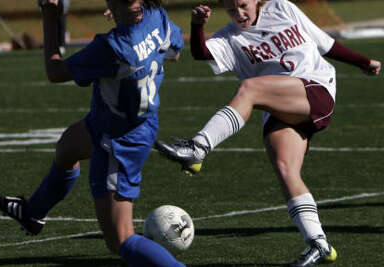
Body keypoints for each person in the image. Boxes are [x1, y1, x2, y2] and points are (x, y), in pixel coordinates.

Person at [154, 0, 381, 266]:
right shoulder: (230, 36)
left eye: (243, 5)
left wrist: (363, 62)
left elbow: (325, 43)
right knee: (286, 170)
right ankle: (318, 243)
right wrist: (197, 26)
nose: (239, 13)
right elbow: (203, 53)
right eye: (231, 9)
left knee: (249, 89)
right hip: (281, 110)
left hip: (315, 88)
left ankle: (198, 148)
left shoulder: (282, 8)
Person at [0, 0, 185, 266]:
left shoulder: (113, 46)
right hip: (130, 121)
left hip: (117, 141)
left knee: (120, 240)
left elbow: (55, 71)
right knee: (67, 147)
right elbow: (174, 51)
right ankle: (33, 214)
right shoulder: (156, 16)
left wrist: (50, 16)